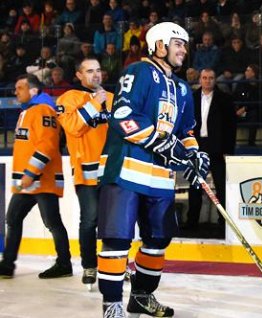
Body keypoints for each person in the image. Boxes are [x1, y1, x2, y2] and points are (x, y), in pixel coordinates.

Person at [96, 22, 210, 317]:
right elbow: (123, 117)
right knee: (118, 239)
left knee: (158, 239)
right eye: (178, 43)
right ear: (159, 45)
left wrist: (195, 155)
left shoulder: (183, 88)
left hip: (160, 177)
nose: (184, 50)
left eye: (185, 44)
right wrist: (162, 143)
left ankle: (142, 296)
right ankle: (112, 305)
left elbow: (186, 130)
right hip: (126, 171)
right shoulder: (138, 71)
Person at [0, 74, 71, 280]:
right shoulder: (30, 111)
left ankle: (64, 264)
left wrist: (30, 173)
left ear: (33, 91)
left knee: (52, 223)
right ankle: (7, 265)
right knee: (13, 219)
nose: (16, 92)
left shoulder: (42, 111)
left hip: (41, 181)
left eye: (20, 88)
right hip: (30, 183)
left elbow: (47, 146)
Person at [56, 57, 113, 289]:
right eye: (89, 71)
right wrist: (93, 104)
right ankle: (90, 265)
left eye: (98, 70)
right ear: (79, 75)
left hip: (112, 172)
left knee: (114, 223)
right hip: (85, 173)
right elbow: (73, 128)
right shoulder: (67, 98)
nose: (96, 75)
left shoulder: (112, 98)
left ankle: (115, 265)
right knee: (89, 221)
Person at [185, 68, 236, 237]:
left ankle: (224, 222)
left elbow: (231, 127)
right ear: (200, 79)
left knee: (221, 186)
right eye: (205, 78)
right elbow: (186, 124)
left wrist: (228, 150)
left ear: (215, 80)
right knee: (195, 186)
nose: (207, 81)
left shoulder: (225, 100)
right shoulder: (191, 99)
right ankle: (191, 221)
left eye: (211, 78)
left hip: (218, 148)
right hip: (197, 146)